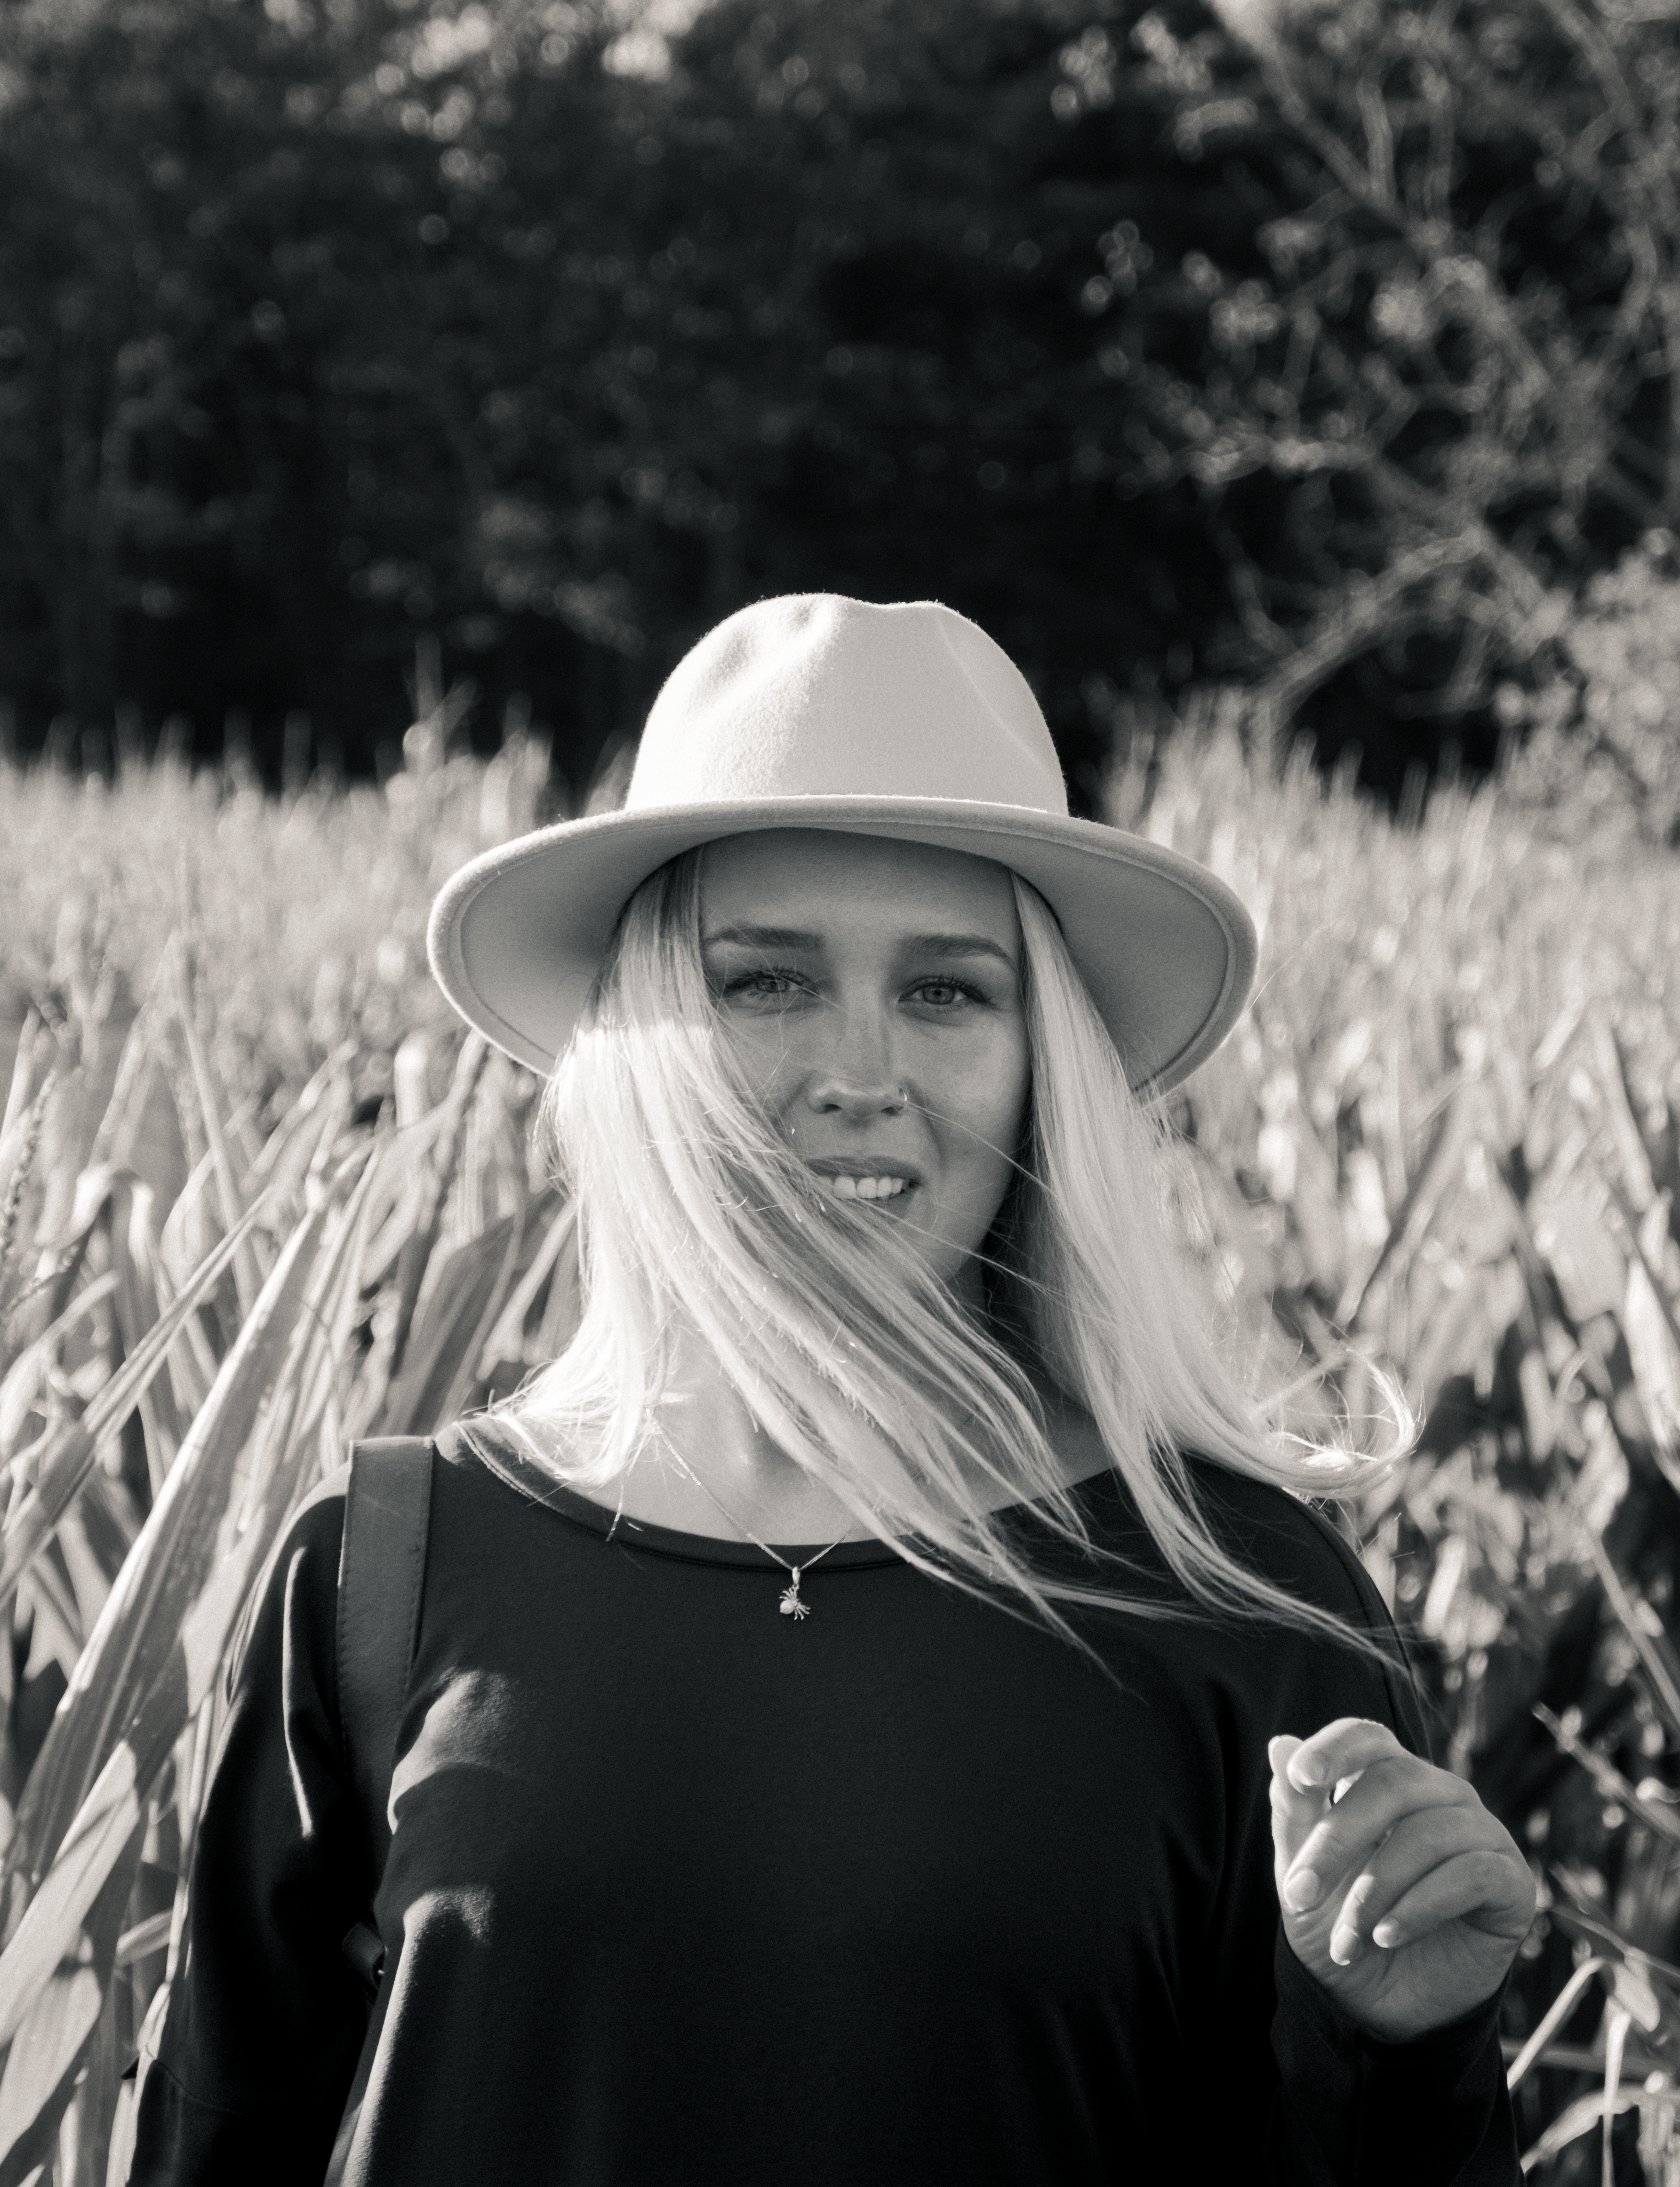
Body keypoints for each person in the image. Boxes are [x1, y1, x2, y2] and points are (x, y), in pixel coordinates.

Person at [131, 595, 1533, 2185]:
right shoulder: (383, 1568)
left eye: (946, 991)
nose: (861, 1071)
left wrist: (1409, 2048)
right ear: (645, 1033)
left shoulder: (1244, 1609)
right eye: (765, 981)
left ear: (1040, 1063)